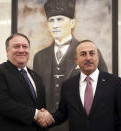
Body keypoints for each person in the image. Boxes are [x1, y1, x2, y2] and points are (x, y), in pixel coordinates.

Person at [33, 0, 108, 131]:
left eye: (60, 19)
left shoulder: (89, 52)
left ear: (72, 23)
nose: (55, 25)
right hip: (48, 127)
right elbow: (37, 95)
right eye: (51, 20)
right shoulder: (39, 57)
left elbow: (104, 92)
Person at [39, 40, 121, 131]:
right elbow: (62, 113)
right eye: (83, 54)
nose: (88, 58)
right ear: (76, 60)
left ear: (98, 57)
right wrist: (47, 118)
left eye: (92, 53)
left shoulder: (115, 82)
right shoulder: (68, 85)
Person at [0, 33, 54, 131]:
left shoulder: (36, 77)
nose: (21, 50)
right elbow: (1, 103)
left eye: (25, 47)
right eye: (16, 46)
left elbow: (40, 107)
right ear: (7, 51)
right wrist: (37, 114)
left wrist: (43, 116)